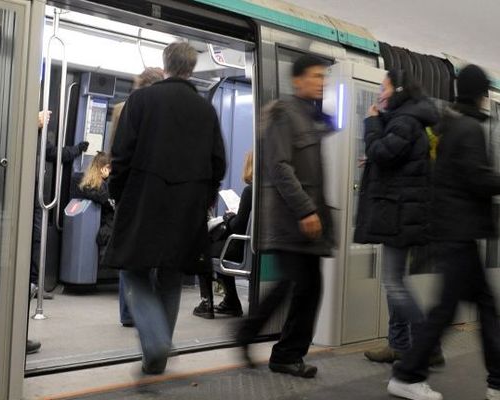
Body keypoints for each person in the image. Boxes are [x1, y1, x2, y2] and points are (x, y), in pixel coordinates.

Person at [102, 42, 226, 375]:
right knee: (171, 275)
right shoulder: (205, 109)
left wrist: (117, 192)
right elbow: (218, 162)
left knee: (133, 269)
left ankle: (155, 341)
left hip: (143, 199)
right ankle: (157, 355)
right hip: (188, 206)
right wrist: (206, 196)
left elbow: (122, 154)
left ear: (165, 64)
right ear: (192, 68)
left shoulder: (141, 100)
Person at [389, 65, 500, 400]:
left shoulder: (451, 123)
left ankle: (497, 381)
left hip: (453, 230)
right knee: (447, 310)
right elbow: (476, 179)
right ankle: (407, 376)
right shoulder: (467, 128)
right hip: (457, 232)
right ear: (479, 94)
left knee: (482, 305)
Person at [235, 55, 334, 378]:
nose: (322, 82)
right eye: (316, 76)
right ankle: (273, 347)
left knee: (304, 286)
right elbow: (279, 167)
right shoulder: (283, 114)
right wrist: (305, 209)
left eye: (324, 77)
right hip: (291, 218)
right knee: (300, 285)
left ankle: (277, 349)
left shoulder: (309, 116)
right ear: (297, 80)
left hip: (306, 220)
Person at [353, 70, 444, 366]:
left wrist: (371, 122)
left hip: (400, 213)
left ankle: (426, 344)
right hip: (400, 211)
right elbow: (395, 158)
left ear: (398, 90)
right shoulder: (407, 119)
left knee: (393, 282)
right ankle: (400, 344)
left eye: (383, 87)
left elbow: (382, 151)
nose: (380, 93)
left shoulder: (404, 120)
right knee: (394, 280)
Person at [27, 110, 88, 355]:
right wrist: (35, 123)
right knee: (34, 238)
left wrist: (77, 149)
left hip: (34, 195)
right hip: (26, 196)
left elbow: (55, 154)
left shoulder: (40, 137)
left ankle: (32, 283)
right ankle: (30, 283)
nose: (46, 118)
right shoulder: (24, 131)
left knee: (37, 239)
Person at [108, 67, 164, 327]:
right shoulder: (158, 112)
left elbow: (117, 151)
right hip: (149, 192)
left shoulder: (122, 108)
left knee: (127, 253)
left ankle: (127, 313)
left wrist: (116, 191)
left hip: (127, 191)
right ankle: (144, 310)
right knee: (149, 255)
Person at [193, 151, 253, 319]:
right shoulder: (265, 192)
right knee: (218, 247)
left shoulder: (250, 191)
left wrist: (230, 216)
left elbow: (238, 225)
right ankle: (231, 301)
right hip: (251, 247)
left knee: (203, 250)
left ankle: (206, 303)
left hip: (240, 247)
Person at [73, 151, 114, 259]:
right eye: (109, 168)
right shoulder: (99, 186)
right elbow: (105, 199)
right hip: (105, 228)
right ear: (103, 168)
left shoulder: (87, 183)